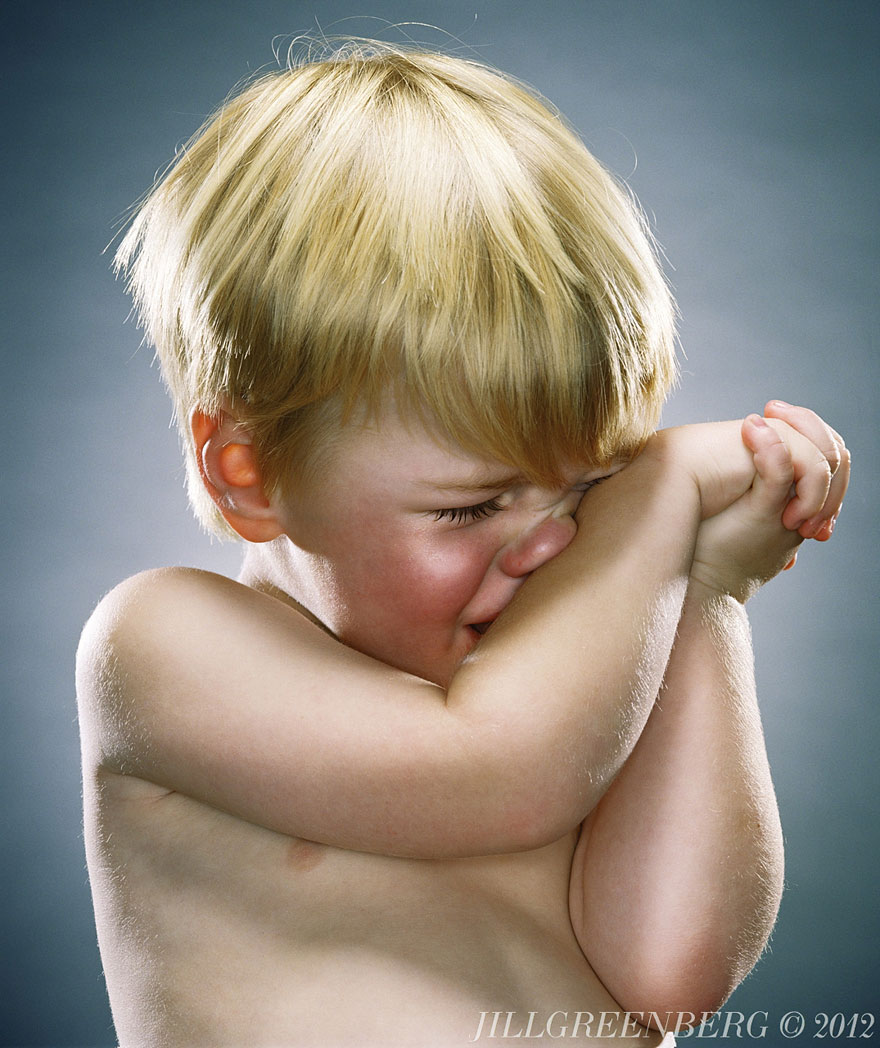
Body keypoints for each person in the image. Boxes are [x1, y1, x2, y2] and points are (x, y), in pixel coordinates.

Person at [76, 43, 849, 1047]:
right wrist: (658, 492)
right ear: (250, 473)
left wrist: (701, 585)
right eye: (468, 506)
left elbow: (671, 976)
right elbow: (499, 771)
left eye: (592, 485)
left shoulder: (574, 685)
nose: (555, 542)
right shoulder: (163, 644)